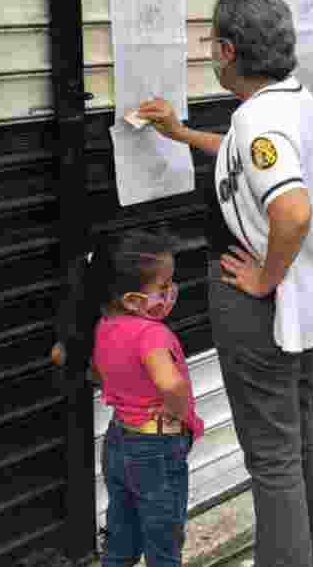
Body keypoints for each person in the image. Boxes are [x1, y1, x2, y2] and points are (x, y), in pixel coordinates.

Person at [136, 0, 313, 567]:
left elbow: (292, 212)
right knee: (296, 445)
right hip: (306, 304)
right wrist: (181, 135)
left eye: (211, 43)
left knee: (272, 459)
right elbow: (246, 154)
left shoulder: (259, 121)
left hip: (265, 310)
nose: (209, 52)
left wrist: (262, 277)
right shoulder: (296, 100)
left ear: (228, 50)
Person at [55, 229, 205, 567]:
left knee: (121, 539)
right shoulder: (151, 335)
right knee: (164, 543)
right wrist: (180, 413)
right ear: (133, 301)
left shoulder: (102, 326)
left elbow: (90, 370)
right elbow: (170, 384)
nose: (171, 292)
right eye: (163, 287)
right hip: (156, 448)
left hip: (119, 442)